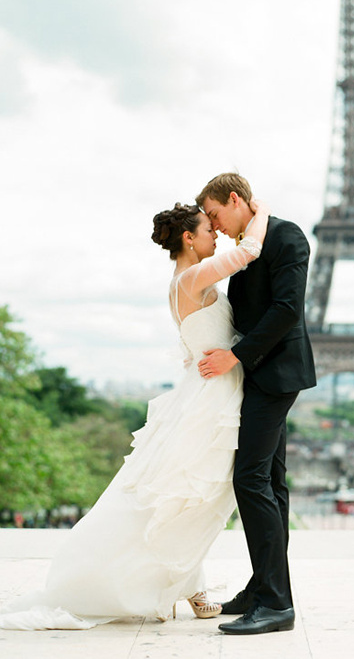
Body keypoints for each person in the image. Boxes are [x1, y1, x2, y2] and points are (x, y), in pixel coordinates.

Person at [0, 199, 270, 631]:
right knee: (191, 497)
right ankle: (188, 588)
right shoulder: (194, 275)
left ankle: (192, 588)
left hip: (208, 391)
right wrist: (260, 210)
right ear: (188, 237)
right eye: (207, 230)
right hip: (211, 401)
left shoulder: (181, 280)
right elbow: (249, 252)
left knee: (189, 497)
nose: (215, 235)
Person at [196, 172, 316, 636]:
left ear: (235, 199)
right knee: (270, 480)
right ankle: (263, 586)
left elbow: (288, 309)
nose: (214, 224)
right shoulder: (252, 240)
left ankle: (276, 603)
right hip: (260, 372)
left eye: (214, 214)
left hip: (276, 372)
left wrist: (235, 356)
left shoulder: (286, 236)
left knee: (250, 478)